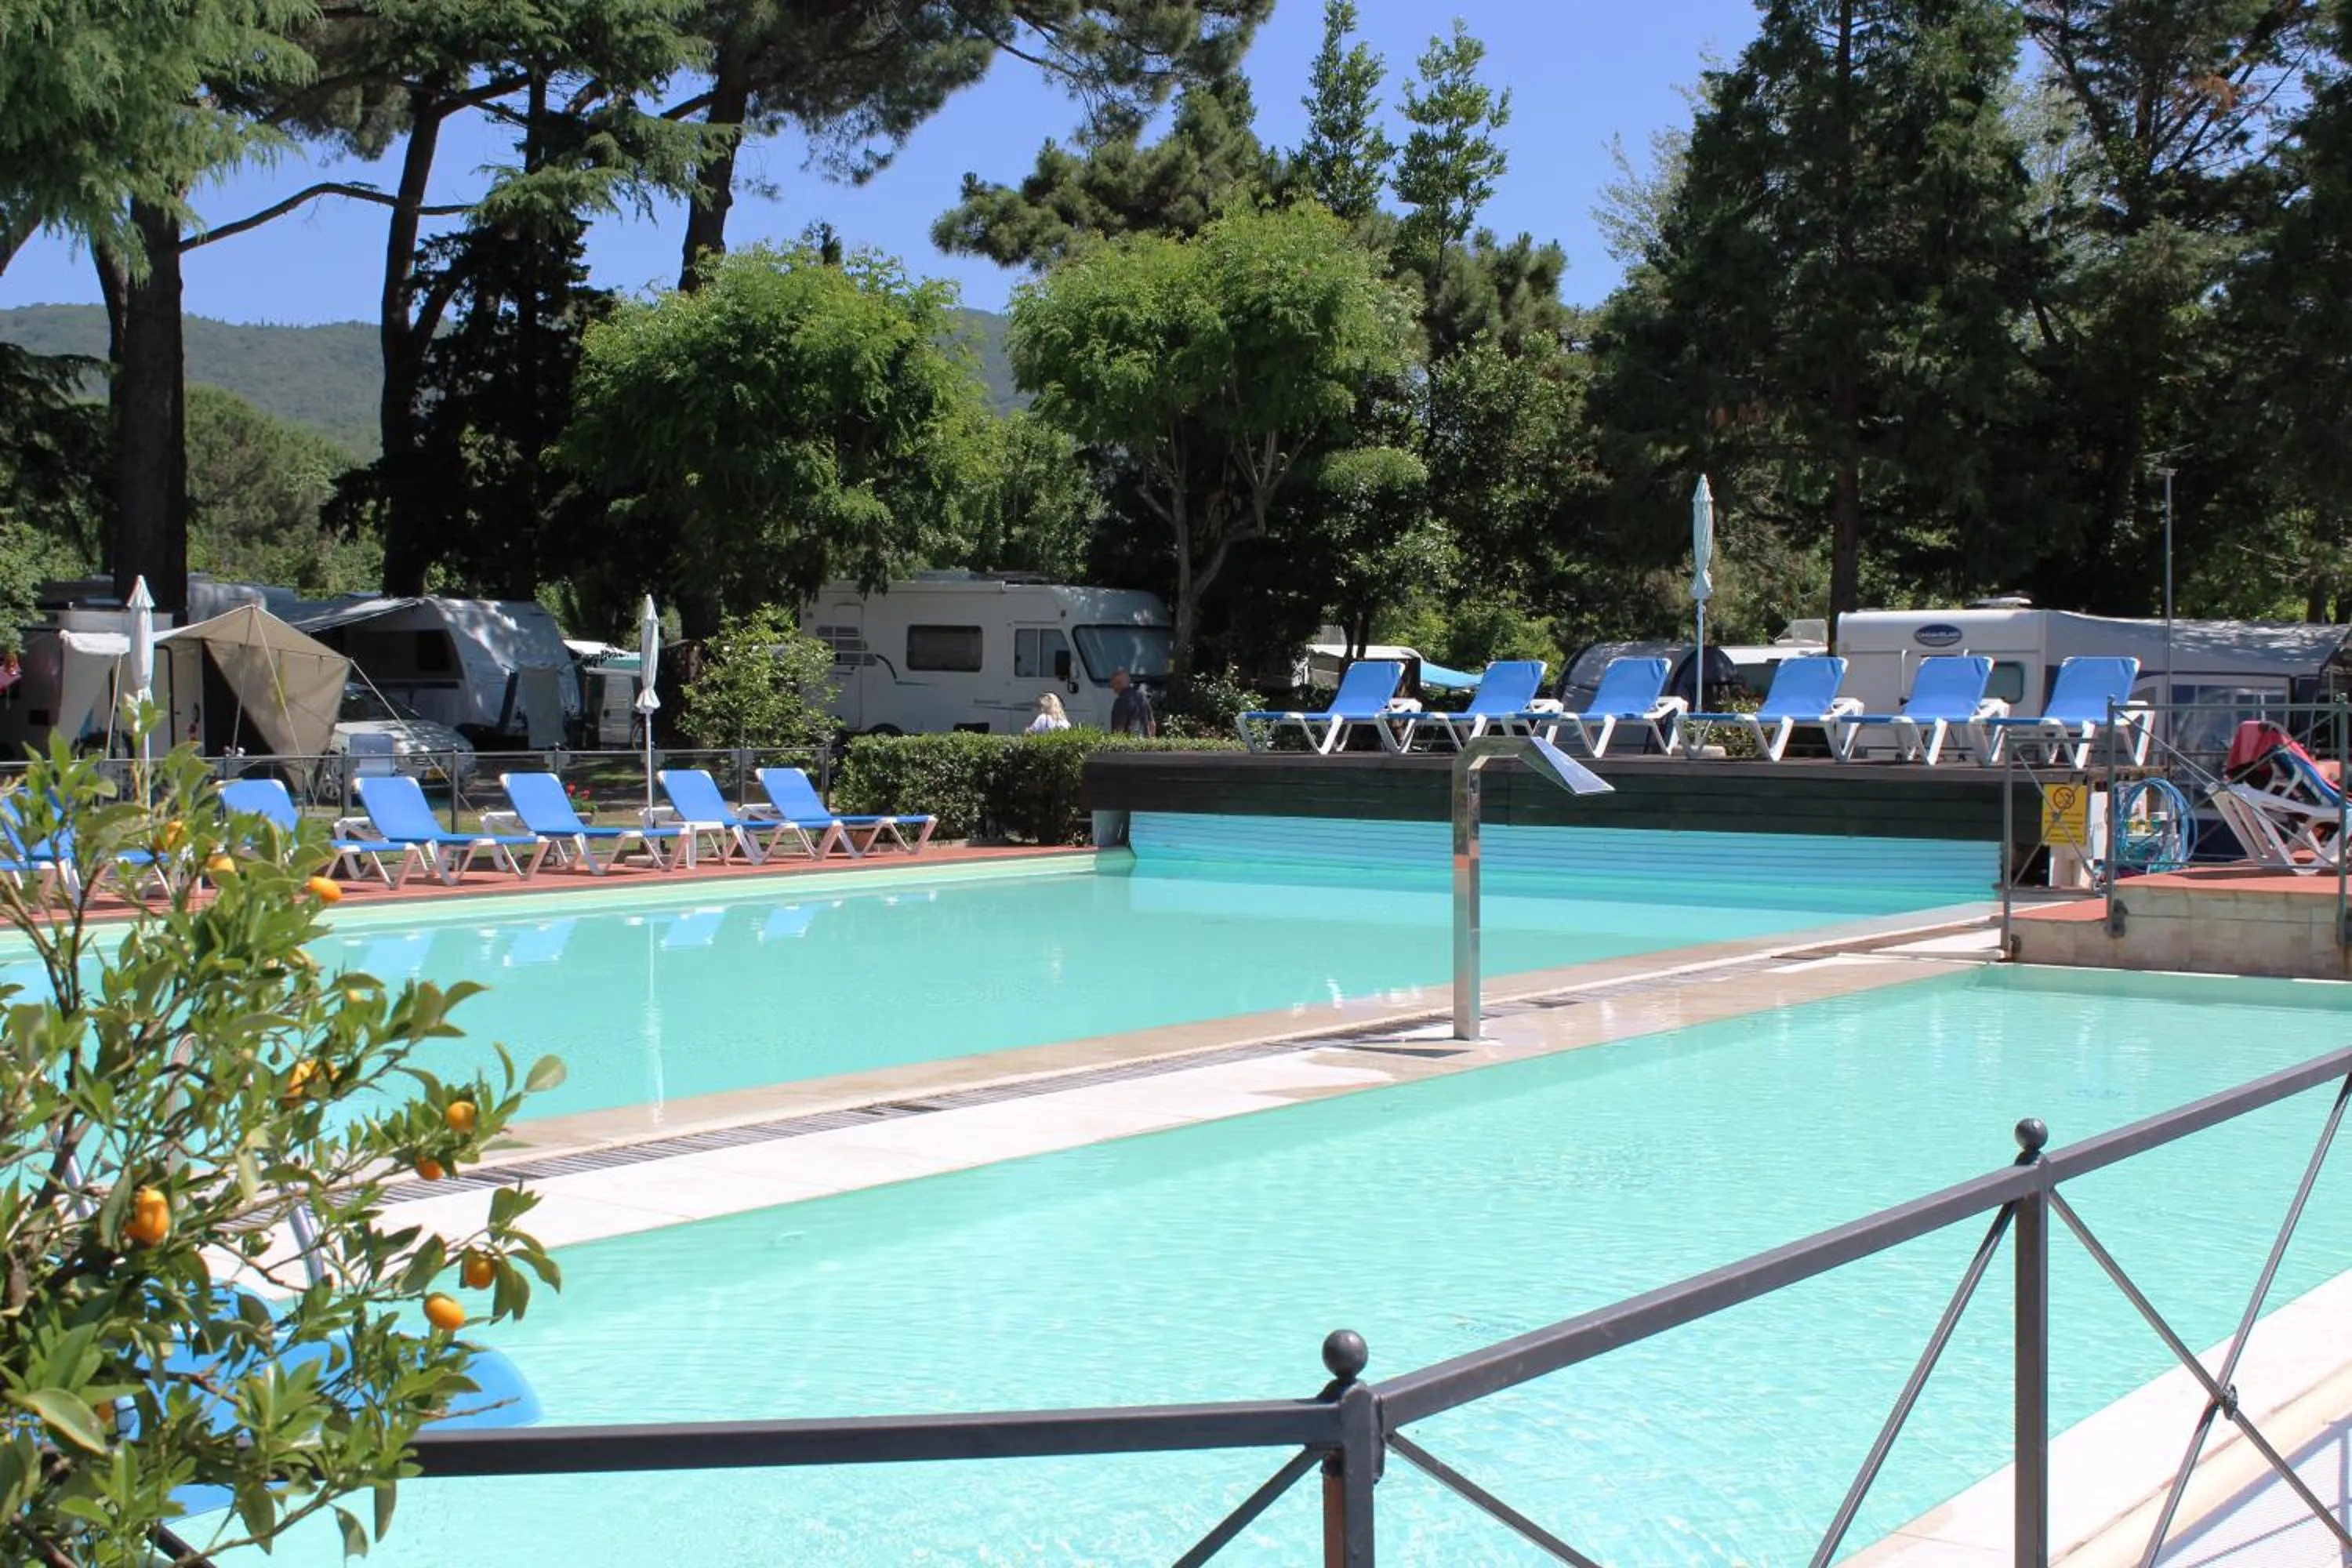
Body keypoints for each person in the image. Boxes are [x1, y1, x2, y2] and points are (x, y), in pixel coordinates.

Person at [1109, 668, 1156, 738]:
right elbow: (1152, 725)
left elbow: (1119, 730)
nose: (1112, 687)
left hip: (1128, 745)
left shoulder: (1121, 701)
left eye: (1113, 684)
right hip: (1143, 745)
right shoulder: (1142, 697)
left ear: (1118, 683)